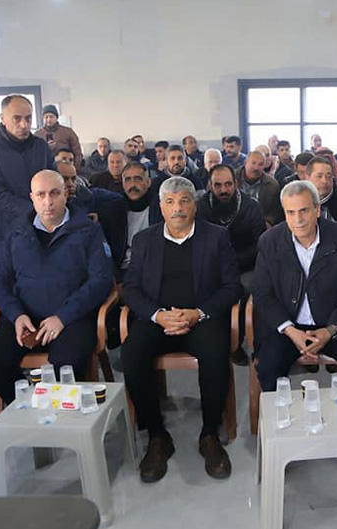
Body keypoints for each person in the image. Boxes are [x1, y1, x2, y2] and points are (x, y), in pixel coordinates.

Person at [122, 176, 240, 482]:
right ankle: (157, 436)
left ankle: (209, 434)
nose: (178, 208)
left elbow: (231, 287)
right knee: (132, 354)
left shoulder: (216, 237)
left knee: (216, 353)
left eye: (184, 201)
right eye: (170, 202)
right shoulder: (144, 240)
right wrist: (158, 316)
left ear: (194, 205)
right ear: (161, 207)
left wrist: (198, 313)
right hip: (158, 320)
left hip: (201, 318)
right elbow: (131, 289)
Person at [0, 171, 113, 404]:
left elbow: (101, 280)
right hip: (25, 319)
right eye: (41, 195)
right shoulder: (16, 232)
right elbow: (0, 281)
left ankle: (58, 413)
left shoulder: (88, 230)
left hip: (72, 319)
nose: (48, 202)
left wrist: (63, 317)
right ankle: (32, 404)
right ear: (32, 198)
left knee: (66, 367)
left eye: (54, 193)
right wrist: (16, 316)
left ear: (66, 194)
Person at [254, 180, 337, 393]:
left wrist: (330, 330)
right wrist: (290, 331)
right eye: (290, 212)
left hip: (333, 325)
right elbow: (263, 295)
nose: (297, 220)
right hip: (287, 328)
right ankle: (280, 414)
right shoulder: (269, 241)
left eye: (304, 211)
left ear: (317, 210)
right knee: (268, 366)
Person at [0, 94, 54, 263]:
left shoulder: (40, 147)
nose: (24, 124)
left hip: (42, 229)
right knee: (7, 278)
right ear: (3, 118)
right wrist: (35, 211)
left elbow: (54, 181)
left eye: (28, 118)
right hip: (4, 233)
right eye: (17, 118)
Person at [197, 164, 265, 291]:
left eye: (228, 184)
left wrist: (234, 261)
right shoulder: (201, 207)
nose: (223, 190)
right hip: (212, 267)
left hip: (245, 268)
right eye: (217, 185)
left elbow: (260, 244)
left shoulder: (251, 207)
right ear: (210, 185)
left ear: (236, 183)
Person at [98, 162, 163, 280]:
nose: (132, 185)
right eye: (127, 180)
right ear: (122, 184)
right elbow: (107, 252)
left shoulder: (161, 208)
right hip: (123, 272)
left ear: (148, 182)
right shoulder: (113, 210)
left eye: (138, 179)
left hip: (154, 270)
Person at [238, 150, 283, 226]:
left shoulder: (272, 185)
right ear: (245, 162)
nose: (256, 168)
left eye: (260, 164)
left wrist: (269, 222)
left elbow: (274, 211)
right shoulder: (232, 178)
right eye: (253, 163)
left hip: (260, 223)